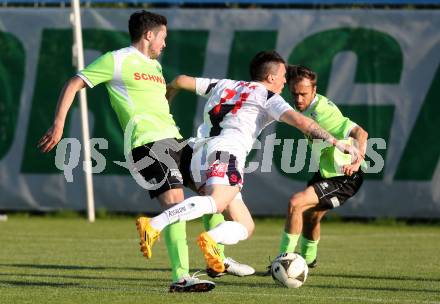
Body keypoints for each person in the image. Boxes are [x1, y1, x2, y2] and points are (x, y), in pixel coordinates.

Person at [37, 10, 252, 292]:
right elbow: (74, 82)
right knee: (176, 203)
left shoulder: (155, 67)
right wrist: (58, 124)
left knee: (218, 194)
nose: (165, 44)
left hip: (178, 142)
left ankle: (218, 261)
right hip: (146, 145)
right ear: (149, 35)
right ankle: (181, 278)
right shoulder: (117, 59)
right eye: (163, 37)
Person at [136, 51, 361, 274]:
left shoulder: (223, 84)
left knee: (245, 225)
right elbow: (303, 123)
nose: (285, 80)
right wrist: (337, 143)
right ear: (271, 77)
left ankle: (213, 241)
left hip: (198, 151)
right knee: (216, 203)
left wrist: (168, 96)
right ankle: (155, 224)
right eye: (283, 75)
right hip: (226, 151)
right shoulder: (268, 96)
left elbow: (180, 80)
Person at [275, 65, 368, 268]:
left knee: (296, 203)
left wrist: (357, 161)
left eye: (304, 94)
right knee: (311, 216)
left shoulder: (323, 112)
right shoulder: (304, 108)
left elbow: (361, 132)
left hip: (344, 177)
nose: (299, 99)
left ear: (314, 91)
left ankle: (283, 263)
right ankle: (308, 261)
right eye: (295, 94)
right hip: (325, 173)